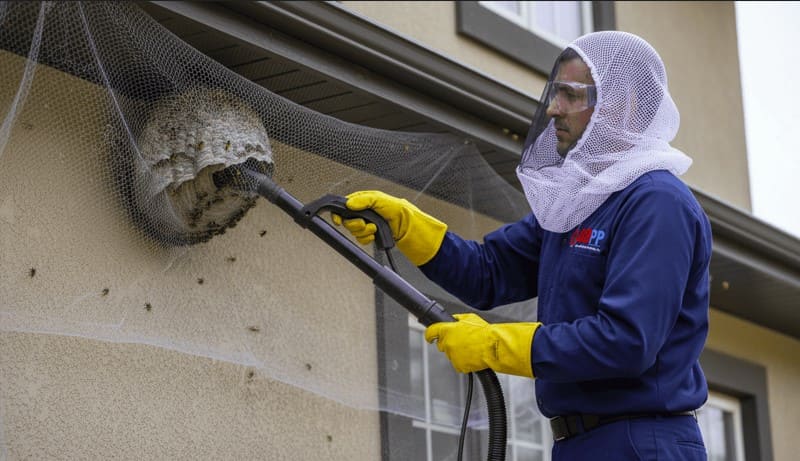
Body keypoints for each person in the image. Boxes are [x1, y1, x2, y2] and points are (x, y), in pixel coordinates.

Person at [334, 31, 712, 460]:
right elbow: (488, 273)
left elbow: (625, 341)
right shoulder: (580, 204)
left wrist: (495, 344)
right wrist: (407, 227)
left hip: (642, 441)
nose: (553, 109)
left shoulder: (657, 202)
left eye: (570, 95)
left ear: (623, 104)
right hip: (579, 443)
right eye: (555, 94)